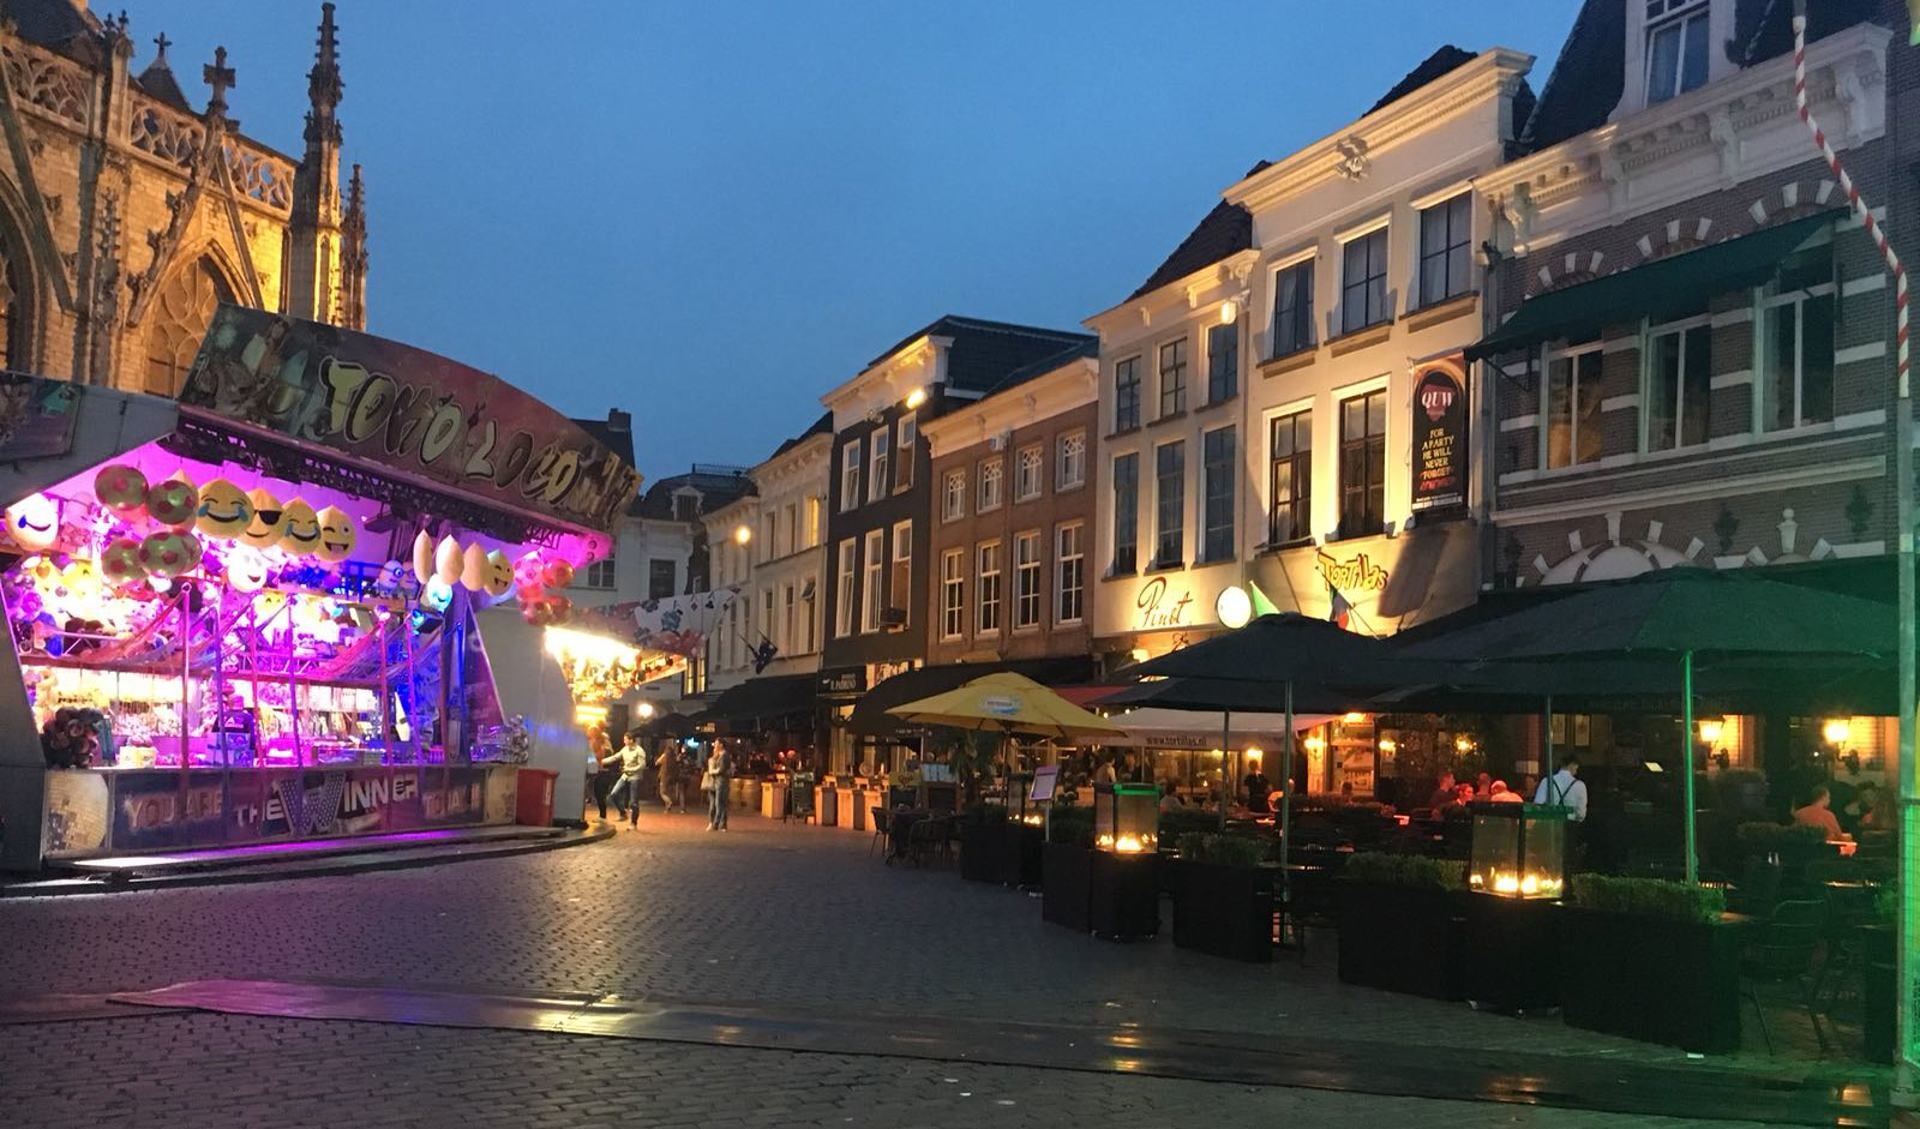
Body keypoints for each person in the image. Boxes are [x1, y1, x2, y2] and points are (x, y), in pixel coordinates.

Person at [605, 731, 648, 829]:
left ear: (631, 740)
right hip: (625, 776)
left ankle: (633, 823)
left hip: (635, 777)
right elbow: (616, 757)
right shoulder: (625, 749)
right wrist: (602, 761)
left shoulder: (639, 751)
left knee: (633, 801)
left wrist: (630, 769)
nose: (624, 741)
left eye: (625, 739)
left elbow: (642, 765)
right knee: (614, 794)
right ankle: (623, 813)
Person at [1533, 755, 1588, 822]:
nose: (1576, 772)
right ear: (1572, 765)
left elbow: (1538, 805)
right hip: (1570, 825)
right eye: (1576, 768)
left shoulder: (1546, 781)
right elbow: (1581, 814)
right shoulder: (1580, 785)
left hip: (1549, 824)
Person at [705, 739, 733, 831]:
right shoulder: (718, 756)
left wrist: (713, 771)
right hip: (718, 782)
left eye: (716, 744)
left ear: (721, 745)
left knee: (719, 803)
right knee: (720, 803)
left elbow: (722, 769)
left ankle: (717, 823)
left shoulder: (724, 756)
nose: (714, 746)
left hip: (721, 781)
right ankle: (721, 824)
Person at [656, 741, 684, 813]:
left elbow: (656, 762)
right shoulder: (673, 758)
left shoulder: (664, 757)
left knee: (662, 793)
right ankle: (667, 808)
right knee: (667, 792)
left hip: (664, 777)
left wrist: (662, 755)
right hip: (671, 777)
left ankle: (669, 802)